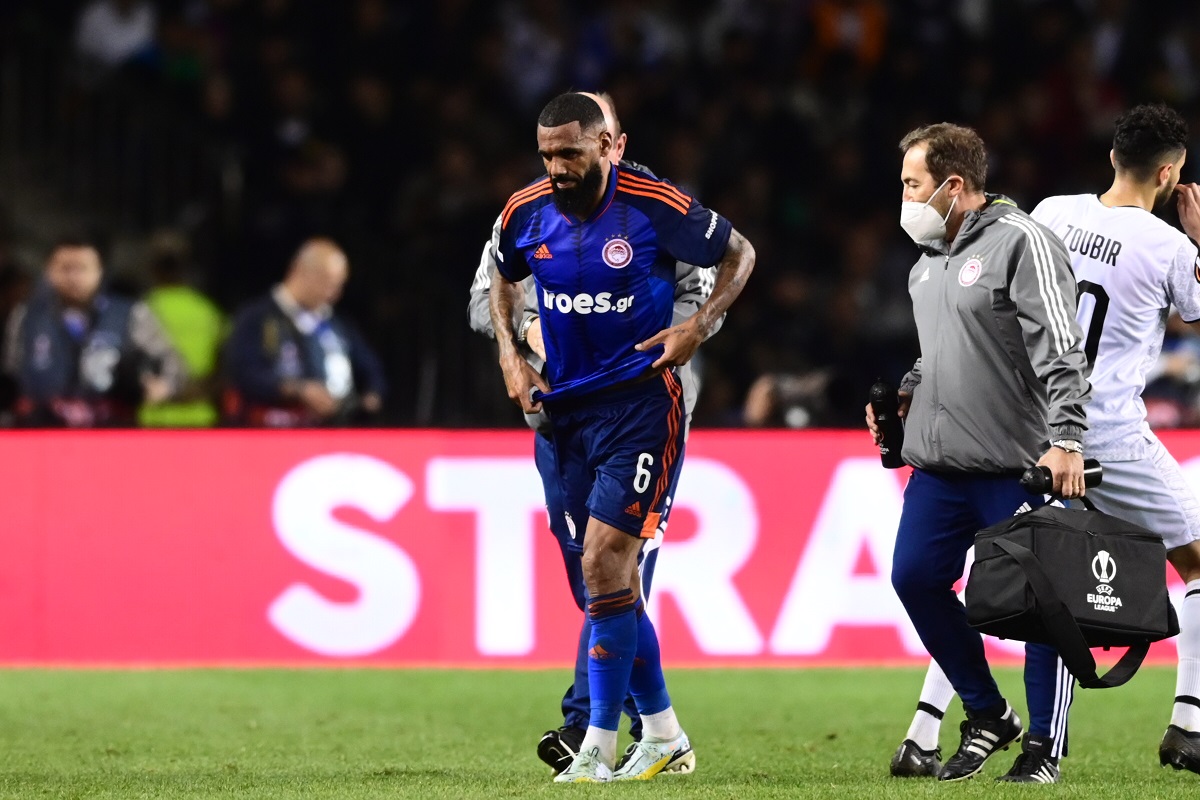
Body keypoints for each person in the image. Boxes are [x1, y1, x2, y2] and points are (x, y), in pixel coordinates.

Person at [889, 104, 1200, 782]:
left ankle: (931, 729)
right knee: (1173, 566)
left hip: (1034, 427)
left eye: (911, 183)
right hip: (1099, 431)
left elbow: (1021, 318)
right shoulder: (1170, 246)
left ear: (1113, 157)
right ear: (1170, 175)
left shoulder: (1052, 214)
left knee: (1014, 580)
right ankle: (1188, 720)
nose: (905, 196)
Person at [490, 92, 755, 782]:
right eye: (547, 155)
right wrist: (510, 354)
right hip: (563, 417)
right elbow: (499, 274)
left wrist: (699, 325)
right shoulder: (525, 211)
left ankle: (596, 747)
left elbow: (740, 253)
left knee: (607, 561)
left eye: (569, 153)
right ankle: (663, 734)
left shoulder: (653, 204)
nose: (557, 167)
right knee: (601, 583)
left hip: (641, 407)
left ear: (609, 145)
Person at [865, 123, 1090, 783]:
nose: (904, 197)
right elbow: (943, 351)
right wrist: (909, 389)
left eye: (913, 184)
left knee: (1040, 605)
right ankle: (989, 713)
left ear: (954, 185)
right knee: (914, 578)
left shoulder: (1022, 242)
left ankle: (1044, 747)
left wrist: (1067, 439)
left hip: (1015, 464)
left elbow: (1061, 347)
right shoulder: (928, 259)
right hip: (941, 466)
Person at [3, 236, 185, 427]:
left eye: (82, 268)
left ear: (100, 271)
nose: (73, 277)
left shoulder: (129, 314)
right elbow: (11, 373)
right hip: (42, 430)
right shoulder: (27, 317)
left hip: (111, 428)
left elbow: (173, 362)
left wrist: (164, 385)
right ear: (48, 270)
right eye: (65, 268)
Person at [224, 238, 385, 427]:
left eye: (339, 286)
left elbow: (371, 368)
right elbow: (243, 374)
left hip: (331, 430)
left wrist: (370, 398)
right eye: (329, 284)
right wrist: (298, 390)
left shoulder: (334, 322)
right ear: (302, 273)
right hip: (270, 431)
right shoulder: (256, 318)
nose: (335, 294)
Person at [137, 232, 227, 428]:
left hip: (154, 418)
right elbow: (223, 367)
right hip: (199, 417)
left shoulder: (140, 311)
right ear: (188, 268)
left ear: (151, 268)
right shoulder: (209, 312)